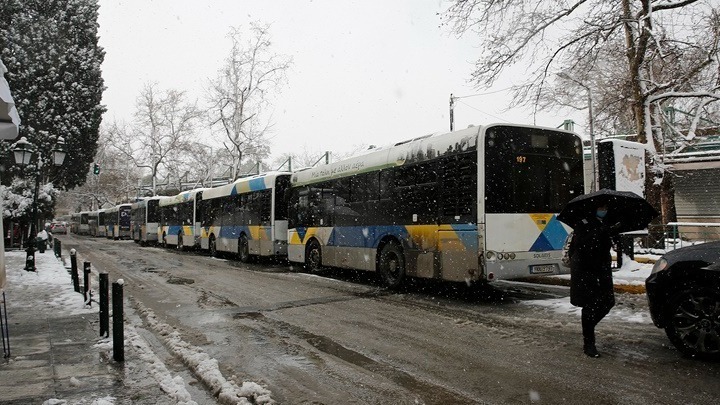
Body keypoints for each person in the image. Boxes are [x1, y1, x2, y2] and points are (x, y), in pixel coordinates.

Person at [568, 203, 619, 358]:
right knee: (590, 305)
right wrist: (601, 232)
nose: (604, 210)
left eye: (606, 208)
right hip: (586, 269)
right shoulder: (583, 223)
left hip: (602, 269)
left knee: (608, 301)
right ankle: (589, 343)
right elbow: (582, 245)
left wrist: (613, 234)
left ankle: (588, 327)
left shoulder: (607, 222)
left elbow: (606, 245)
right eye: (601, 207)